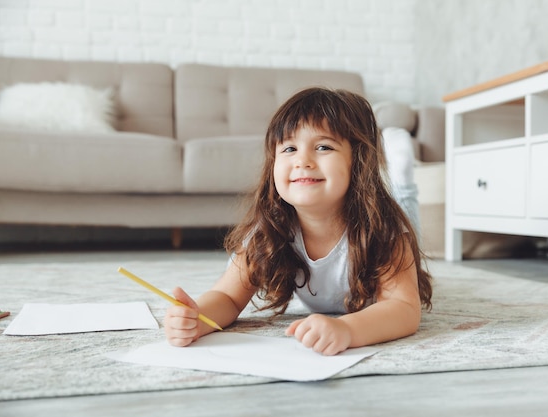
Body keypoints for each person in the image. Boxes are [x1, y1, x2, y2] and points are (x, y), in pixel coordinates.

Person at [165, 87, 433, 356]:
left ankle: (403, 180)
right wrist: (197, 317)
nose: (302, 160)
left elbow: (404, 309)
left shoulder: (385, 231)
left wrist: (348, 329)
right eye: (290, 148)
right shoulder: (267, 232)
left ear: (359, 162)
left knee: (406, 216)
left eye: (323, 147)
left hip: (379, 218)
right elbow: (228, 297)